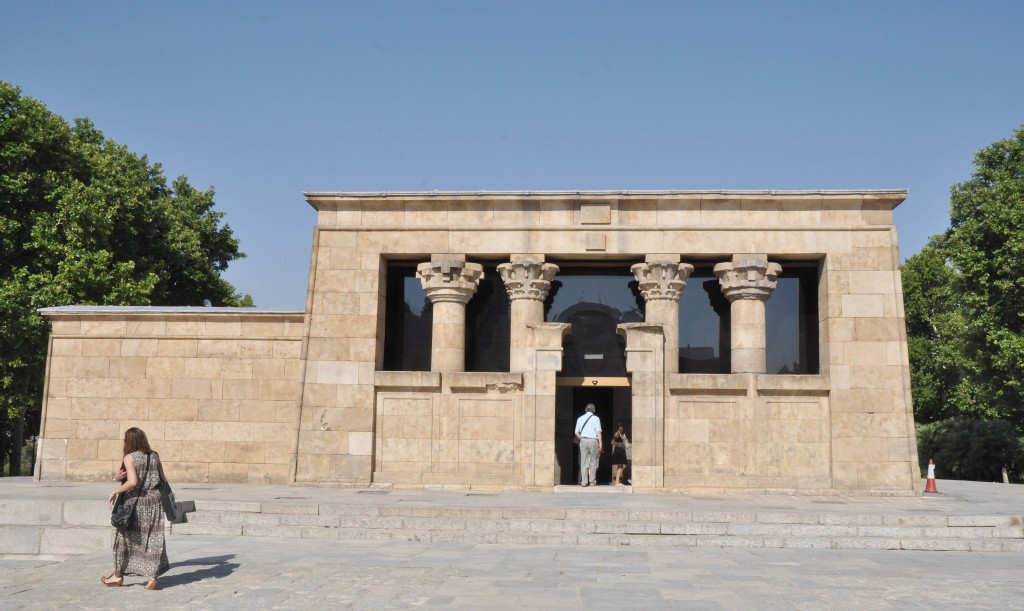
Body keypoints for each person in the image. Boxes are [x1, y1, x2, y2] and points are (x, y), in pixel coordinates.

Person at [102, 427, 170, 590]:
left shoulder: (129, 457)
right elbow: (163, 479)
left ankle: (118, 576)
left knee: (124, 538)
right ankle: (152, 579)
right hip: (155, 502)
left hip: (135, 504)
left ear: (129, 441)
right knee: (153, 539)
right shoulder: (154, 455)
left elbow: (132, 482)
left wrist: (115, 489)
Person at [574, 403, 603, 487]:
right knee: (593, 461)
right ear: (594, 410)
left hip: (583, 440)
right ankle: (592, 481)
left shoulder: (580, 418)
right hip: (593, 441)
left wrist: (582, 438)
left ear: (585, 410)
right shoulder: (596, 418)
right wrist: (600, 443)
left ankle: (584, 482)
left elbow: (576, 432)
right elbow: (598, 432)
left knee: (583, 461)